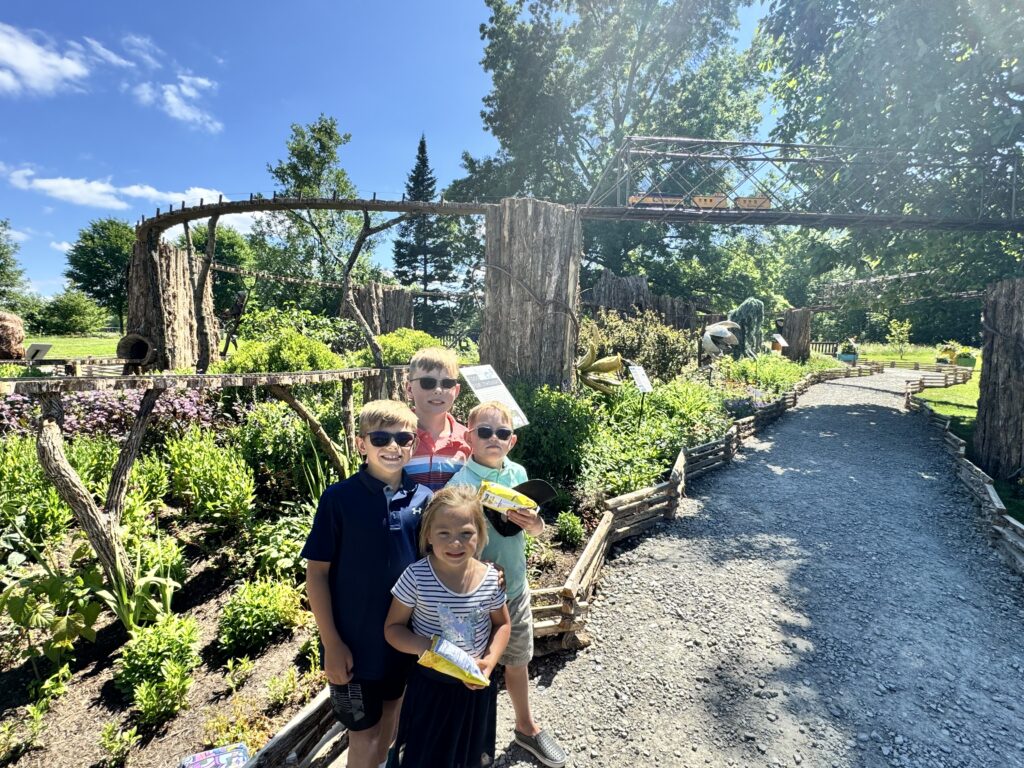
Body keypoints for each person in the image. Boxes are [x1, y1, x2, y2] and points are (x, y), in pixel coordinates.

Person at [302, 400, 432, 768]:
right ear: (361, 444)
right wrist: (331, 643)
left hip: (403, 641)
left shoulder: (424, 499)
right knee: (362, 736)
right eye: (380, 438)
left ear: (415, 444)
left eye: (403, 438)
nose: (392, 446)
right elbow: (317, 573)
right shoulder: (338, 500)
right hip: (354, 647)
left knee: (390, 723)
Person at [447, 401, 568, 768]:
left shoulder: (518, 473)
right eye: (484, 432)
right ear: (469, 437)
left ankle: (526, 727)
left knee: (517, 661)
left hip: (513, 589)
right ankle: (465, 742)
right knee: (469, 670)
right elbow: (448, 544)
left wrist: (535, 525)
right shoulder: (458, 484)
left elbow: (534, 527)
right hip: (472, 600)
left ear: (512, 441)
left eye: (501, 433)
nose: (493, 439)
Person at [384, 486, 511, 768]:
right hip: (430, 687)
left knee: (467, 753)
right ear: (428, 535)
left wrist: (490, 662)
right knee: (426, 755)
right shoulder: (416, 577)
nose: (455, 543)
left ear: (480, 536)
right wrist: (422, 645)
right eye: (444, 534)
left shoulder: (490, 579)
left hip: (475, 688)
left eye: (466, 533)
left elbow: (502, 624)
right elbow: (393, 628)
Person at [405, 346, 471, 491]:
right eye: (427, 383)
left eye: (447, 384)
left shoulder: (469, 439)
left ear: (457, 390)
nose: (438, 390)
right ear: (409, 388)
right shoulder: (394, 437)